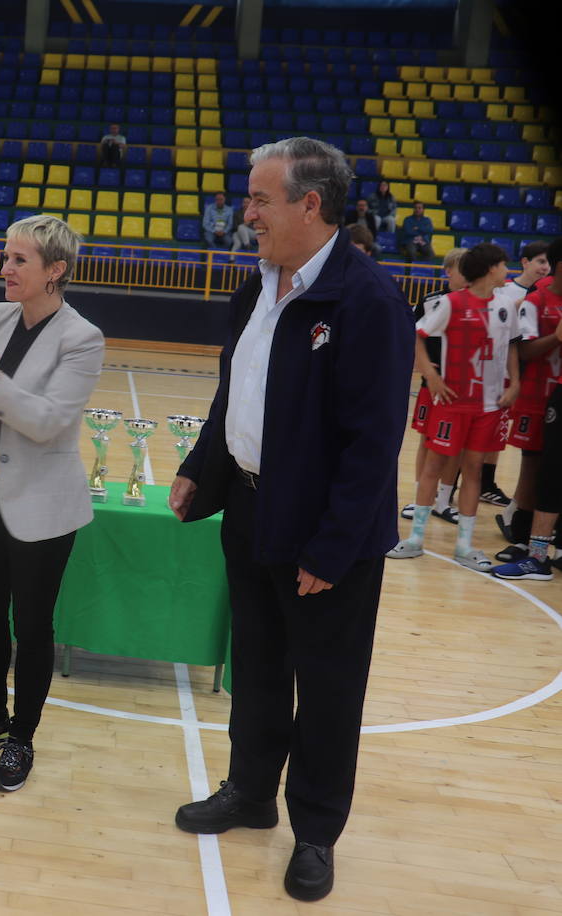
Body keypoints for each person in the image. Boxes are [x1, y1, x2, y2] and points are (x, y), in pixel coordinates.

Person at [168, 138, 414, 903]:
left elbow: (373, 445)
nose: (247, 213)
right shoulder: (257, 289)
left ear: (311, 205)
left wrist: (333, 548)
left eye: (260, 199)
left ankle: (315, 832)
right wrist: (199, 467)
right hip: (249, 508)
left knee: (329, 686)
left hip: (322, 534)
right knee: (260, 668)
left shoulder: (366, 301)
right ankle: (249, 791)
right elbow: (233, 398)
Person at [0, 214, 103, 792]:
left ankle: (22, 737)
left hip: (42, 506)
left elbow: (48, 421)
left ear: (55, 270)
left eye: (19, 260)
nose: (4, 269)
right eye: (5, 257)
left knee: (32, 626)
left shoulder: (81, 338)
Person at [388, 243, 520, 569]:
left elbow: (512, 346)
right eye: (504, 265)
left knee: (473, 470)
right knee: (433, 465)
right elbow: (416, 335)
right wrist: (431, 374)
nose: (508, 271)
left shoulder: (506, 306)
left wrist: (515, 382)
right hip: (452, 402)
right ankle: (416, 538)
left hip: (489, 405)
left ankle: (464, 545)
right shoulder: (450, 303)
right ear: (491, 268)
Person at [493, 240, 562, 579]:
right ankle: (522, 538)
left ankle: (551, 544)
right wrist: (557, 338)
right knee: (534, 469)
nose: (544, 268)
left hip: (558, 393)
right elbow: (525, 352)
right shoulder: (536, 300)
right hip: (540, 395)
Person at [400, 248, 469, 525]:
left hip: (464, 388)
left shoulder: (478, 302)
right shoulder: (430, 301)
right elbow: (414, 338)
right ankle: (420, 498)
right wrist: (426, 370)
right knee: (427, 442)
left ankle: (443, 500)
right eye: (463, 269)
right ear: (448, 271)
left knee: (458, 447)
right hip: (434, 384)